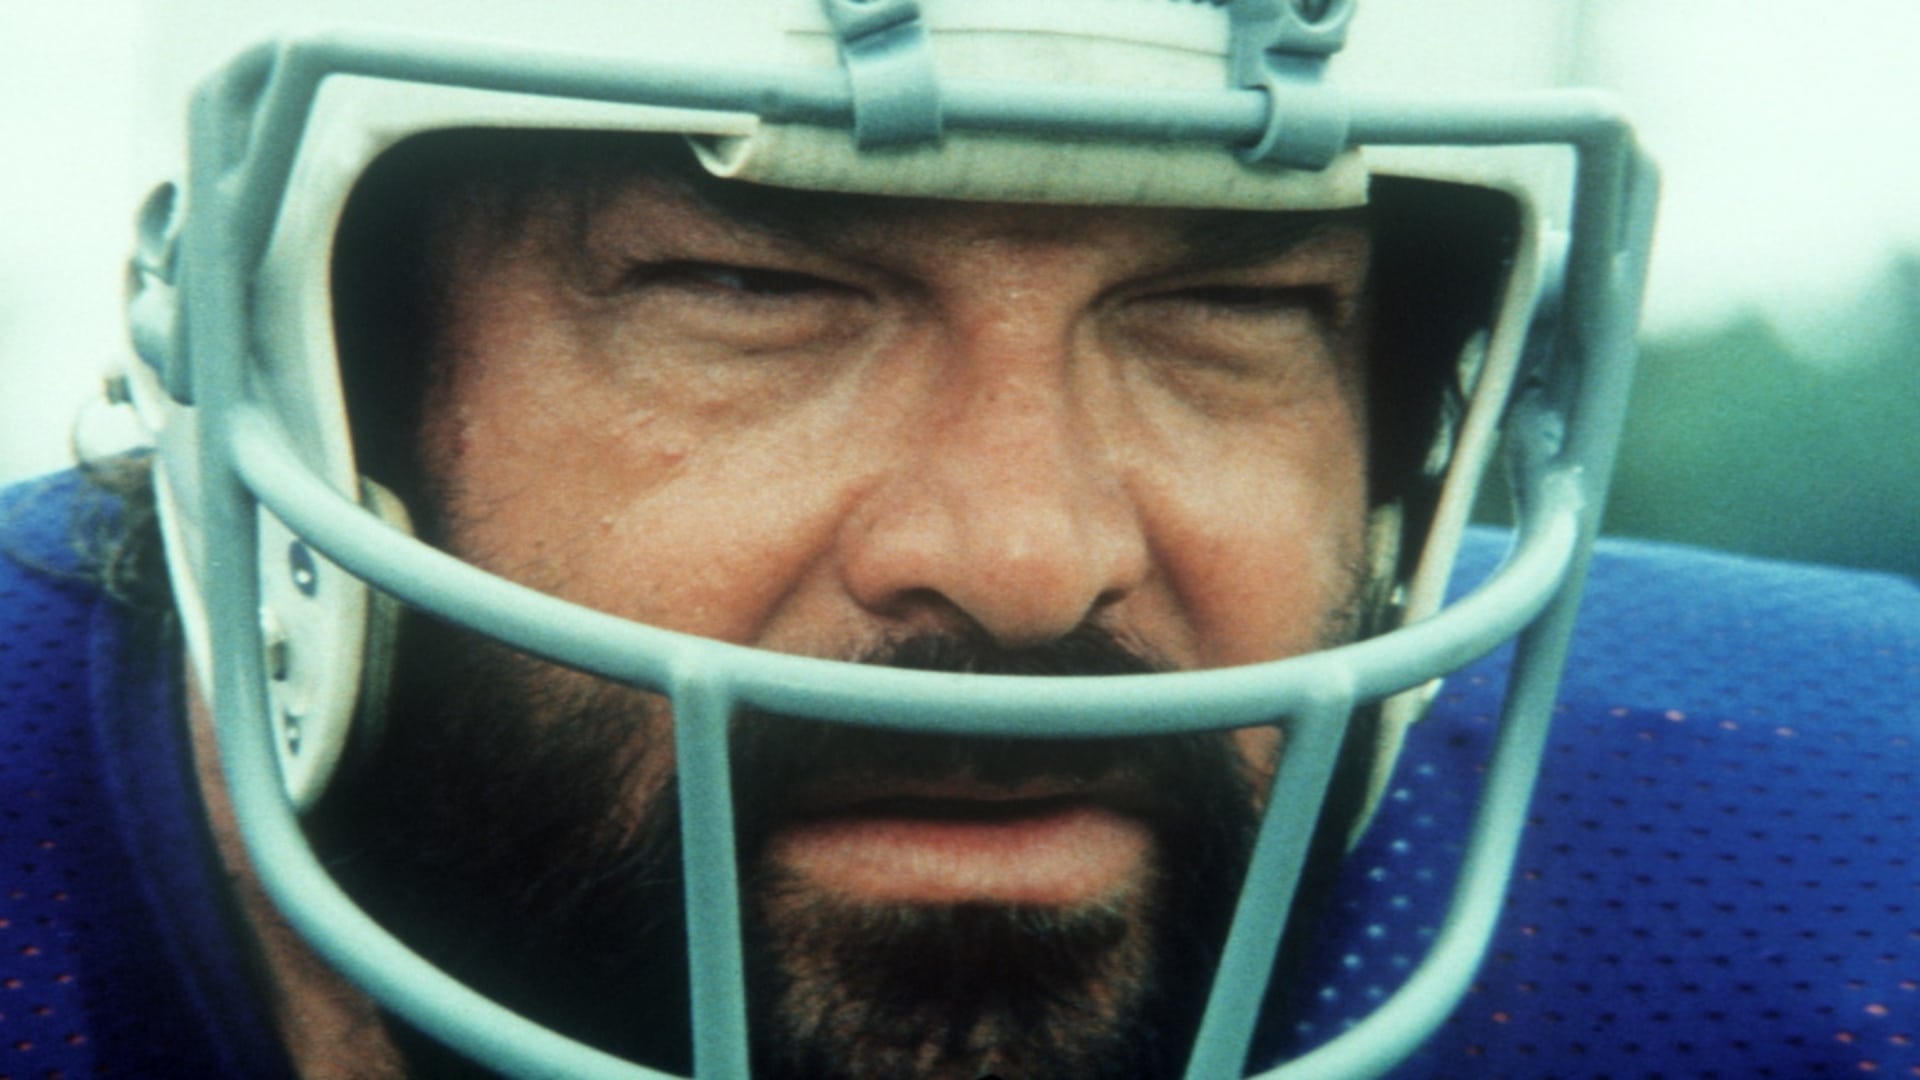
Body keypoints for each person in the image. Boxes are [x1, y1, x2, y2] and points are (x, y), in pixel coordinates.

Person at [1, 1, 1915, 1077]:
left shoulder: (1808, 898)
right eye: (752, 293)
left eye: (1231, 309)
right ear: (299, 378)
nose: (1024, 557)